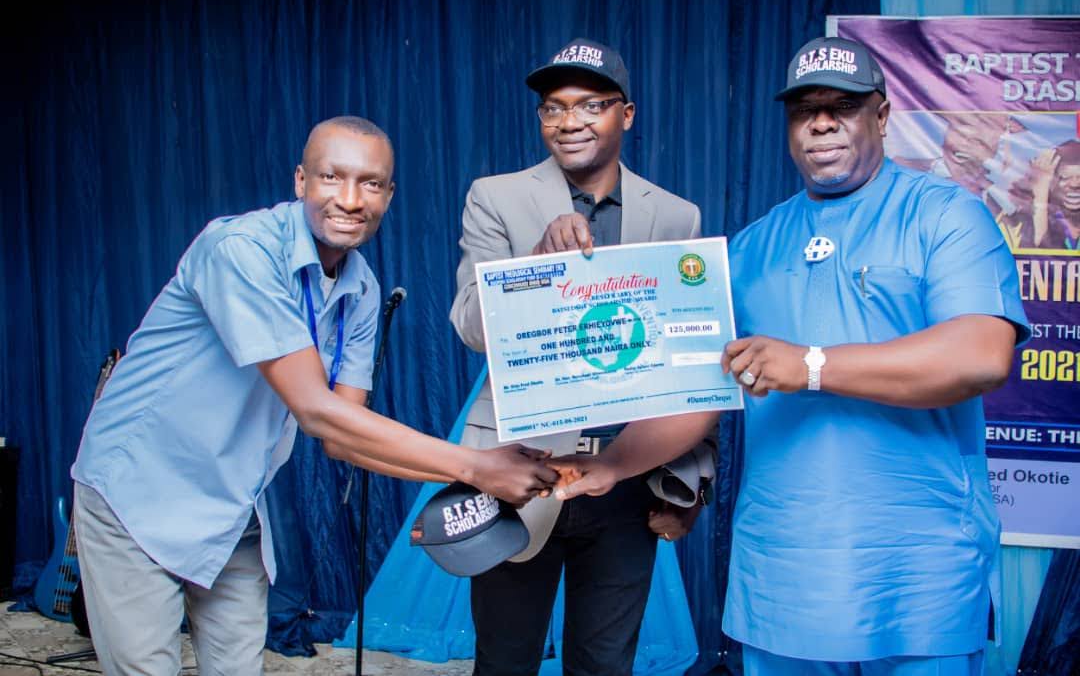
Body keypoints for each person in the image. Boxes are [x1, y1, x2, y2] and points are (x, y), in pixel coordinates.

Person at [69, 116, 557, 675]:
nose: (350, 199)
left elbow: (343, 437)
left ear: (389, 195)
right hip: (136, 491)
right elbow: (315, 411)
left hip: (231, 505)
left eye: (370, 183)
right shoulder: (240, 250)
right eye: (331, 177)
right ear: (301, 180)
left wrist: (480, 473)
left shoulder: (362, 286)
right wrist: (476, 466)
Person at [719, 36, 1030, 675]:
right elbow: (695, 390)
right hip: (783, 577)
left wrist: (811, 366)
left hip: (920, 574)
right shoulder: (750, 247)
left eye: (843, 106)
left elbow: (981, 355)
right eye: (804, 110)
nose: (821, 123)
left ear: (882, 116)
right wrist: (609, 466)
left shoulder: (946, 216)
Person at [449, 39, 717, 676]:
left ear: (627, 113)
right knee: (504, 661)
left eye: (591, 105)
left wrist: (692, 480)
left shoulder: (676, 216)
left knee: (605, 664)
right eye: (554, 107)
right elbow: (469, 326)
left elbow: (689, 357)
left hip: (625, 475)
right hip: (522, 466)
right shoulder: (496, 197)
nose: (569, 121)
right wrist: (535, 267)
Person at [1010, 139, 1080, 249]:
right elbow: (1043, 250)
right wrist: (1041, 196)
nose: (1075, 184)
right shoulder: (1027, 220)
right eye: (1064, 177)